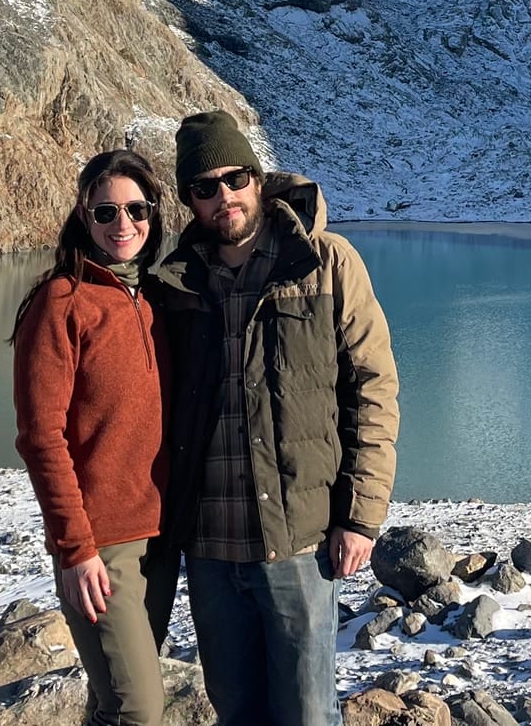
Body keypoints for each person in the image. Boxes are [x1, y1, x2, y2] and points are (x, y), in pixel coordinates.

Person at [151, 110, 399, 726]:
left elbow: (373, 388)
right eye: (203, 188)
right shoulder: (177, 283)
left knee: (308, 713)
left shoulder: (326, 262)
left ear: (257, 179)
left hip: (299, 541)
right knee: (236, 711)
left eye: (234, 178)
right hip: (208, 547)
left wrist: (361, 518)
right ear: (190, 201)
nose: (223, 198)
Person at [12, 149, 177, 726]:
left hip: (160, 539)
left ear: (155, 214)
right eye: (106, 212)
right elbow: (40, 437)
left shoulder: (157, 295)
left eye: (136, 209)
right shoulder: (62, 300)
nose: (123, 225)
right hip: (102, 544)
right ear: (84, 216)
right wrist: (75, 550)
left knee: (112, 702)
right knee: (139, 711)